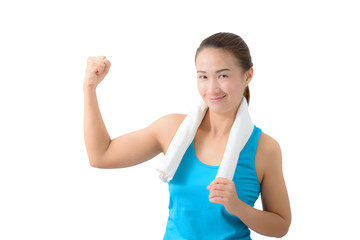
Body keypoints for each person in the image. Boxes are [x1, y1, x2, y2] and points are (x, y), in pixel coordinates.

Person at [83, 32, 291, 239]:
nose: (212, 88)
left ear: (248, 76)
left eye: (223, 75)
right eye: (203, 76)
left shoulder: (265, 149)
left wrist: (238, 207)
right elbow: (101, 155)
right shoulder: (173, 130)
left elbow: (280, 225)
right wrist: (89, 87)